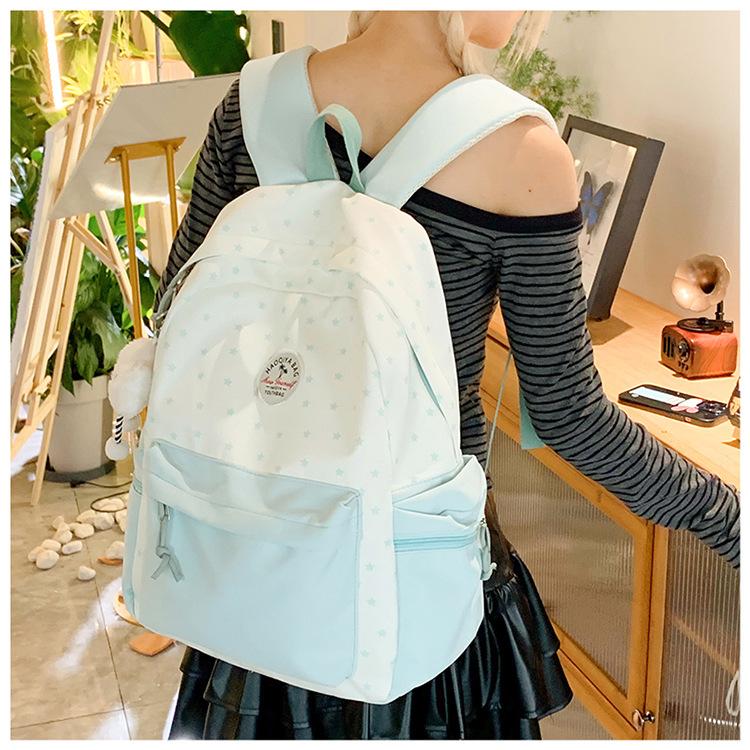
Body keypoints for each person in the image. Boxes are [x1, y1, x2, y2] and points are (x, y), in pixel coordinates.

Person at [156, 11, 740, 740]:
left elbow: (177, 319)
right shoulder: (520, 151)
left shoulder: (253, 102)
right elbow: (570, 417)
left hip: (252, 557)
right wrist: (727, 517)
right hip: (408, 588)